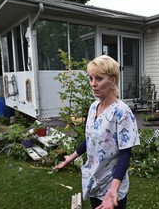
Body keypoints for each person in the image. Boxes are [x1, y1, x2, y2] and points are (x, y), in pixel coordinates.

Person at [54, 55, 140, 209]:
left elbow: (125, 153)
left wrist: (113, 190)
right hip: (94, 181)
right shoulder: (93, 107)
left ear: (112, 80)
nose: (93, 84)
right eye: (91, 78)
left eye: (99, 79)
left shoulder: (122, 112)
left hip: (111, 188)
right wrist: (71, 157)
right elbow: (91, 138)